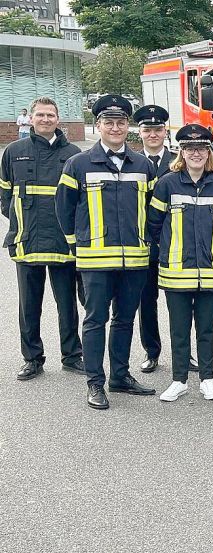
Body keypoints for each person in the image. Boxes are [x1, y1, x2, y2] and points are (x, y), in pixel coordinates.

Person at [56, 94, 158, 409]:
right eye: (108, 122)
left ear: (128, 127)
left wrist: (148, 242)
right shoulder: (78, 164)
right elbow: (64, 209)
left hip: (135, 260)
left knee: (125, 319)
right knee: (95, 320)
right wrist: (78, 245)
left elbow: (153, 210)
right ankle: (95, 383)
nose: (115, 127)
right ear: (98, 125)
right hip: (95, 260)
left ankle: (120, 376)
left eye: (121, 122)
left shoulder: (143, 164)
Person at [1, 97, 84, 381]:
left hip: (63, 243)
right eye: (40, 115)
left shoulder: (73, 154)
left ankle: (72, 356)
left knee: (67, 303)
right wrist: (20, 221)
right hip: (27, 241)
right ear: (30, 119)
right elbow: (5, 197)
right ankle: (32, 359)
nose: (46, 120)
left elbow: (80, 202)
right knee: (29, 306)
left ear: (58, 120)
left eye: (50, 115)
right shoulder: (14, 152)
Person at [148, 124, 213, 401]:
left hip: (210, 270)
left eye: (202, 149)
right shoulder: (167, 184)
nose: (196, 153)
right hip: (176, 270)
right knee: (179, 329)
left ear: (209, 153)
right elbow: (154, 225)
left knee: (206, 328)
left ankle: (207, 379)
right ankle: (179, 380)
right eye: (190, 149)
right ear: (181, 152)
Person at [132, 104, 173, 374]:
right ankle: (152, 351)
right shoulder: (132, 163)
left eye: (158, 129)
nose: (153, 134)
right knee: (146, 303)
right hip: (144, 244)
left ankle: (186, 352)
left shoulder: (179, 161)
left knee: (181, 304)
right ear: (140, 133)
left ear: (165, 131)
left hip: (175, 244)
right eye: (148, 130)